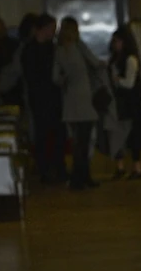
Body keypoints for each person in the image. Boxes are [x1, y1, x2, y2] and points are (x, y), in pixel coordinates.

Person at [52, 17, 105, 190]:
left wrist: (66, 79)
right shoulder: (79, 46)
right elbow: (95, 62)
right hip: (85, 99)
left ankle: (78, 177)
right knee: (85, 141)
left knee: (77, 142)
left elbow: (55, 77)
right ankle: (83, 177)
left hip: (70, 101)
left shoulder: (59, 50)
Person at [22, 13, 68, 184]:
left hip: (50, 97)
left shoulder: (48, 48)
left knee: (56, 133)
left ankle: (56, 167)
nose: (53, 32)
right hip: (41, 98)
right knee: (43, 134)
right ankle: (46, 169)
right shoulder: (31, 50)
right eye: (51, 28)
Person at [109, 26, 141, 180]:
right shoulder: (116, 60)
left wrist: (117, 80)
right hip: (122, 102)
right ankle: (122, 166)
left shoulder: (130, 60)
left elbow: (129, 83)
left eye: (117, 41)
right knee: (120, 134)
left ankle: (136, 167)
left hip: (131, 103)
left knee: (132, 135)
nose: (115, 44)